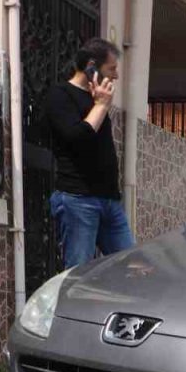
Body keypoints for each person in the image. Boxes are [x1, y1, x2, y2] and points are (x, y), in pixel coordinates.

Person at [45, 38, 133, 269]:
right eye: (111, 69)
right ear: (91, 66)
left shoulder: (96, 98)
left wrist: (100, 103)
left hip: (109, 201)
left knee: (133, 266)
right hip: (78, 200)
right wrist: (101, 106)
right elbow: (77, 137)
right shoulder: (60, 94)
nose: (115, 76)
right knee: (79, 272)